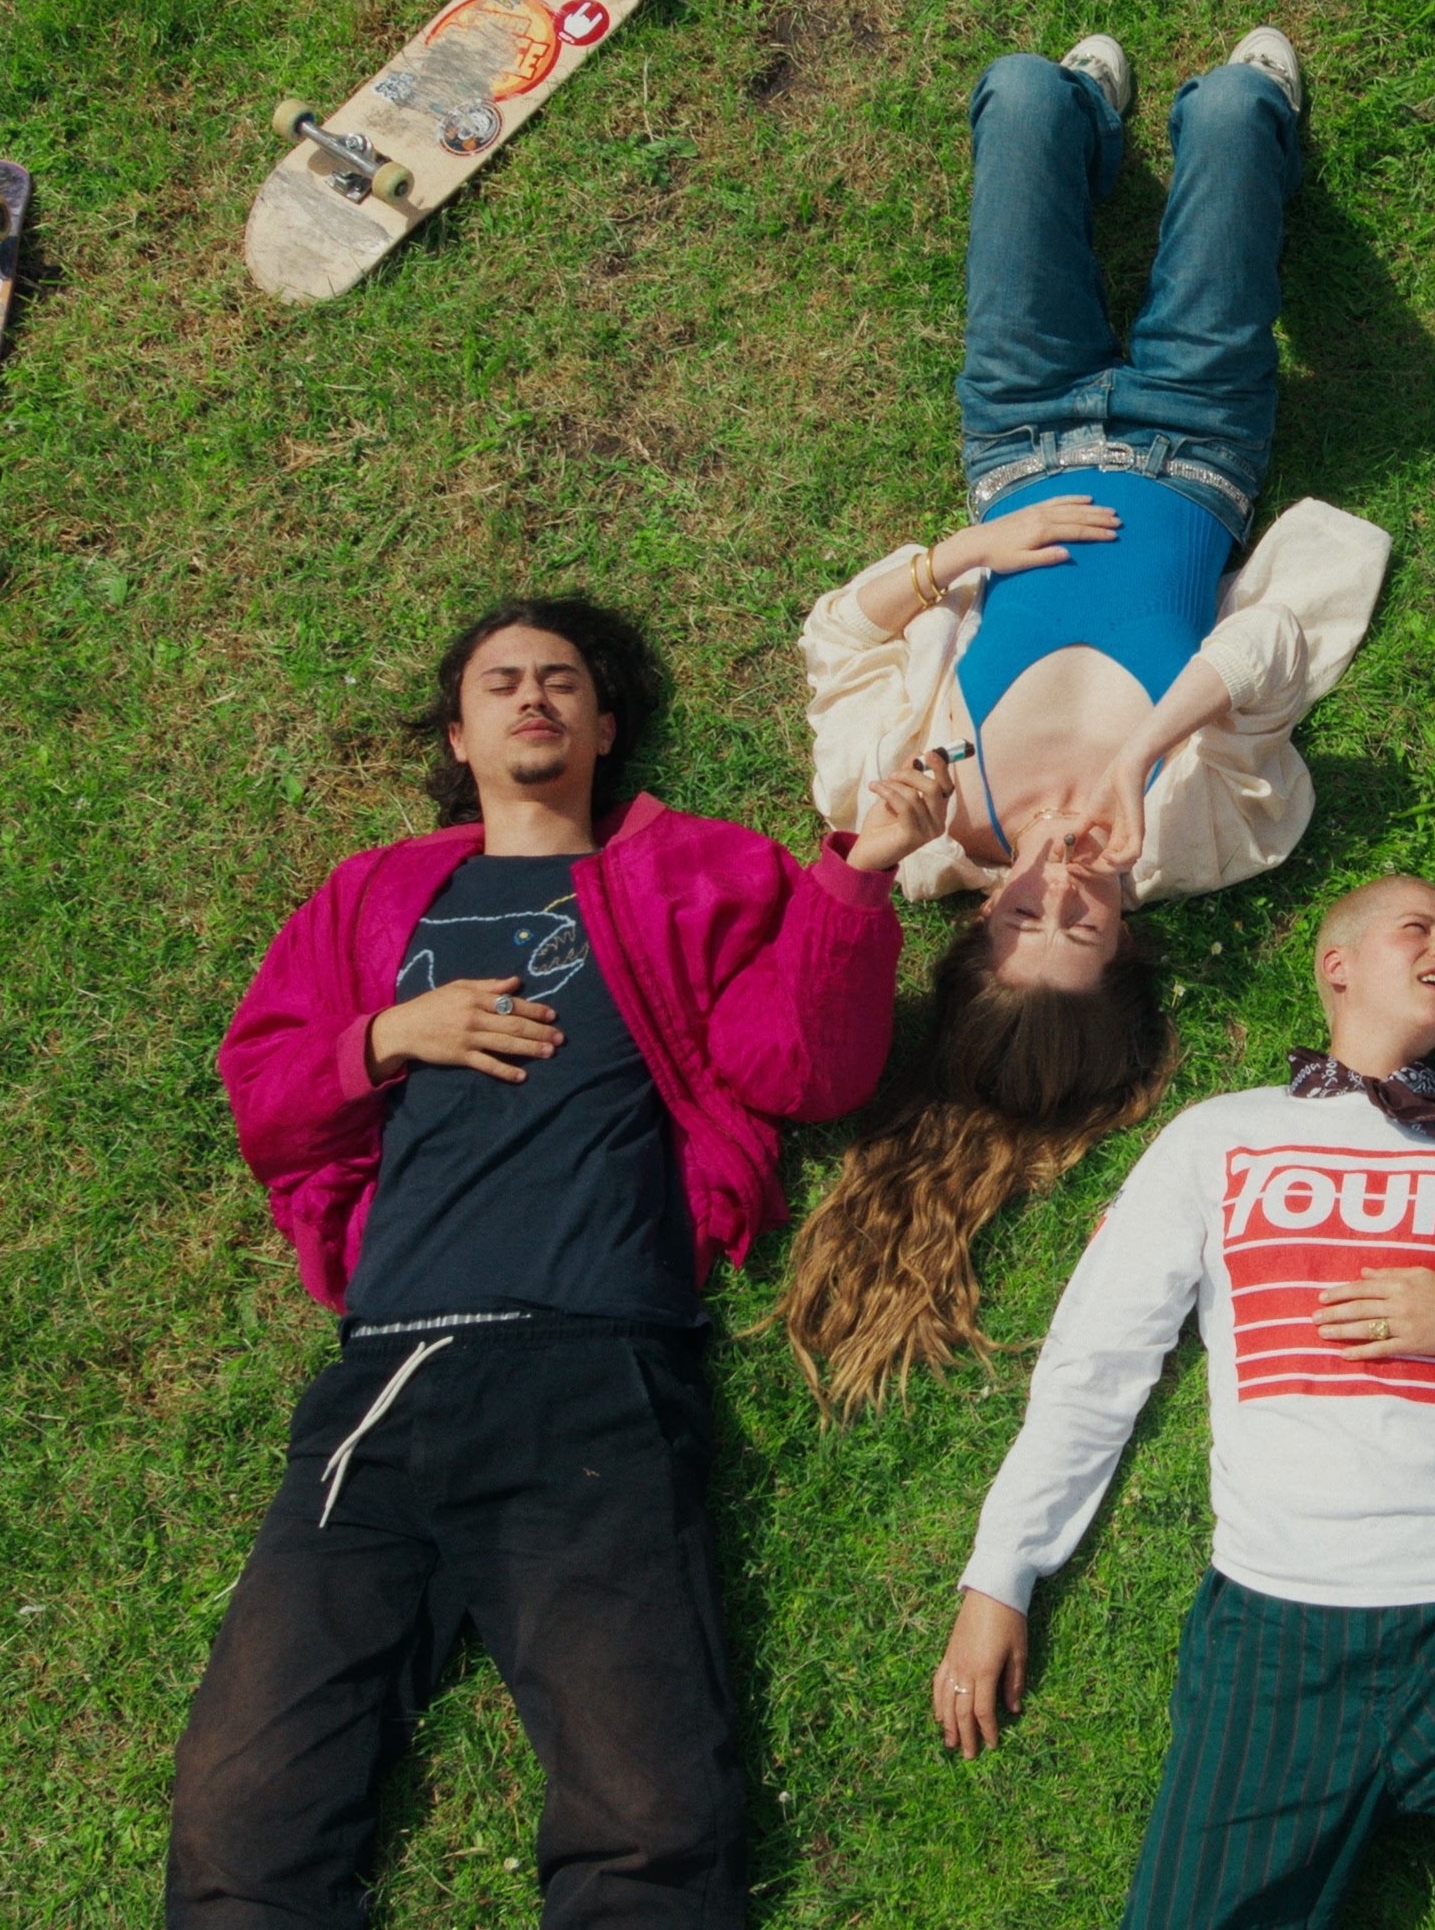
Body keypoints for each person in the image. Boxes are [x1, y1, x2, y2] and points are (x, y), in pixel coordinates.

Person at [169, 597, 957, 1927]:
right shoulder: (372, 895)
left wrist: (861, 873)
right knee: (241, 1814)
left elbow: (803, 1071)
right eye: (500, 683)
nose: (532, 696)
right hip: (387, 1378)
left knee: (647, 1817)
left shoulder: (696, 873)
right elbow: (266, 1093)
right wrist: (389, 1036)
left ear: (604, 725)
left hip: (594, 1369)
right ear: (459, 736)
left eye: (562, 681)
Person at [790, 27, 1391, 1412]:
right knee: (1234, 109)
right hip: (1199, 432)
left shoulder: (905, 806)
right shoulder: (1203, 837)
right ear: (1128, 946)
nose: (1063, 882)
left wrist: (958, 559)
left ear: (978, 926)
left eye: (1024, 917)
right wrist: (1140, 751)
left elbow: (835, 637)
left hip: (1017, 433)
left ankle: (1088, 133)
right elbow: (1273, 647)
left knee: (1019, 92)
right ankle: (1196, 133)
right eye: (1088, 923)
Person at [929, 875, 1435, 1929]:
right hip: (1278, 1614)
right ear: (1336, 966)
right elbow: (1095, 1362)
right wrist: (1001, 1573)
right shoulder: (1217, 1136)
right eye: (1419, 928)